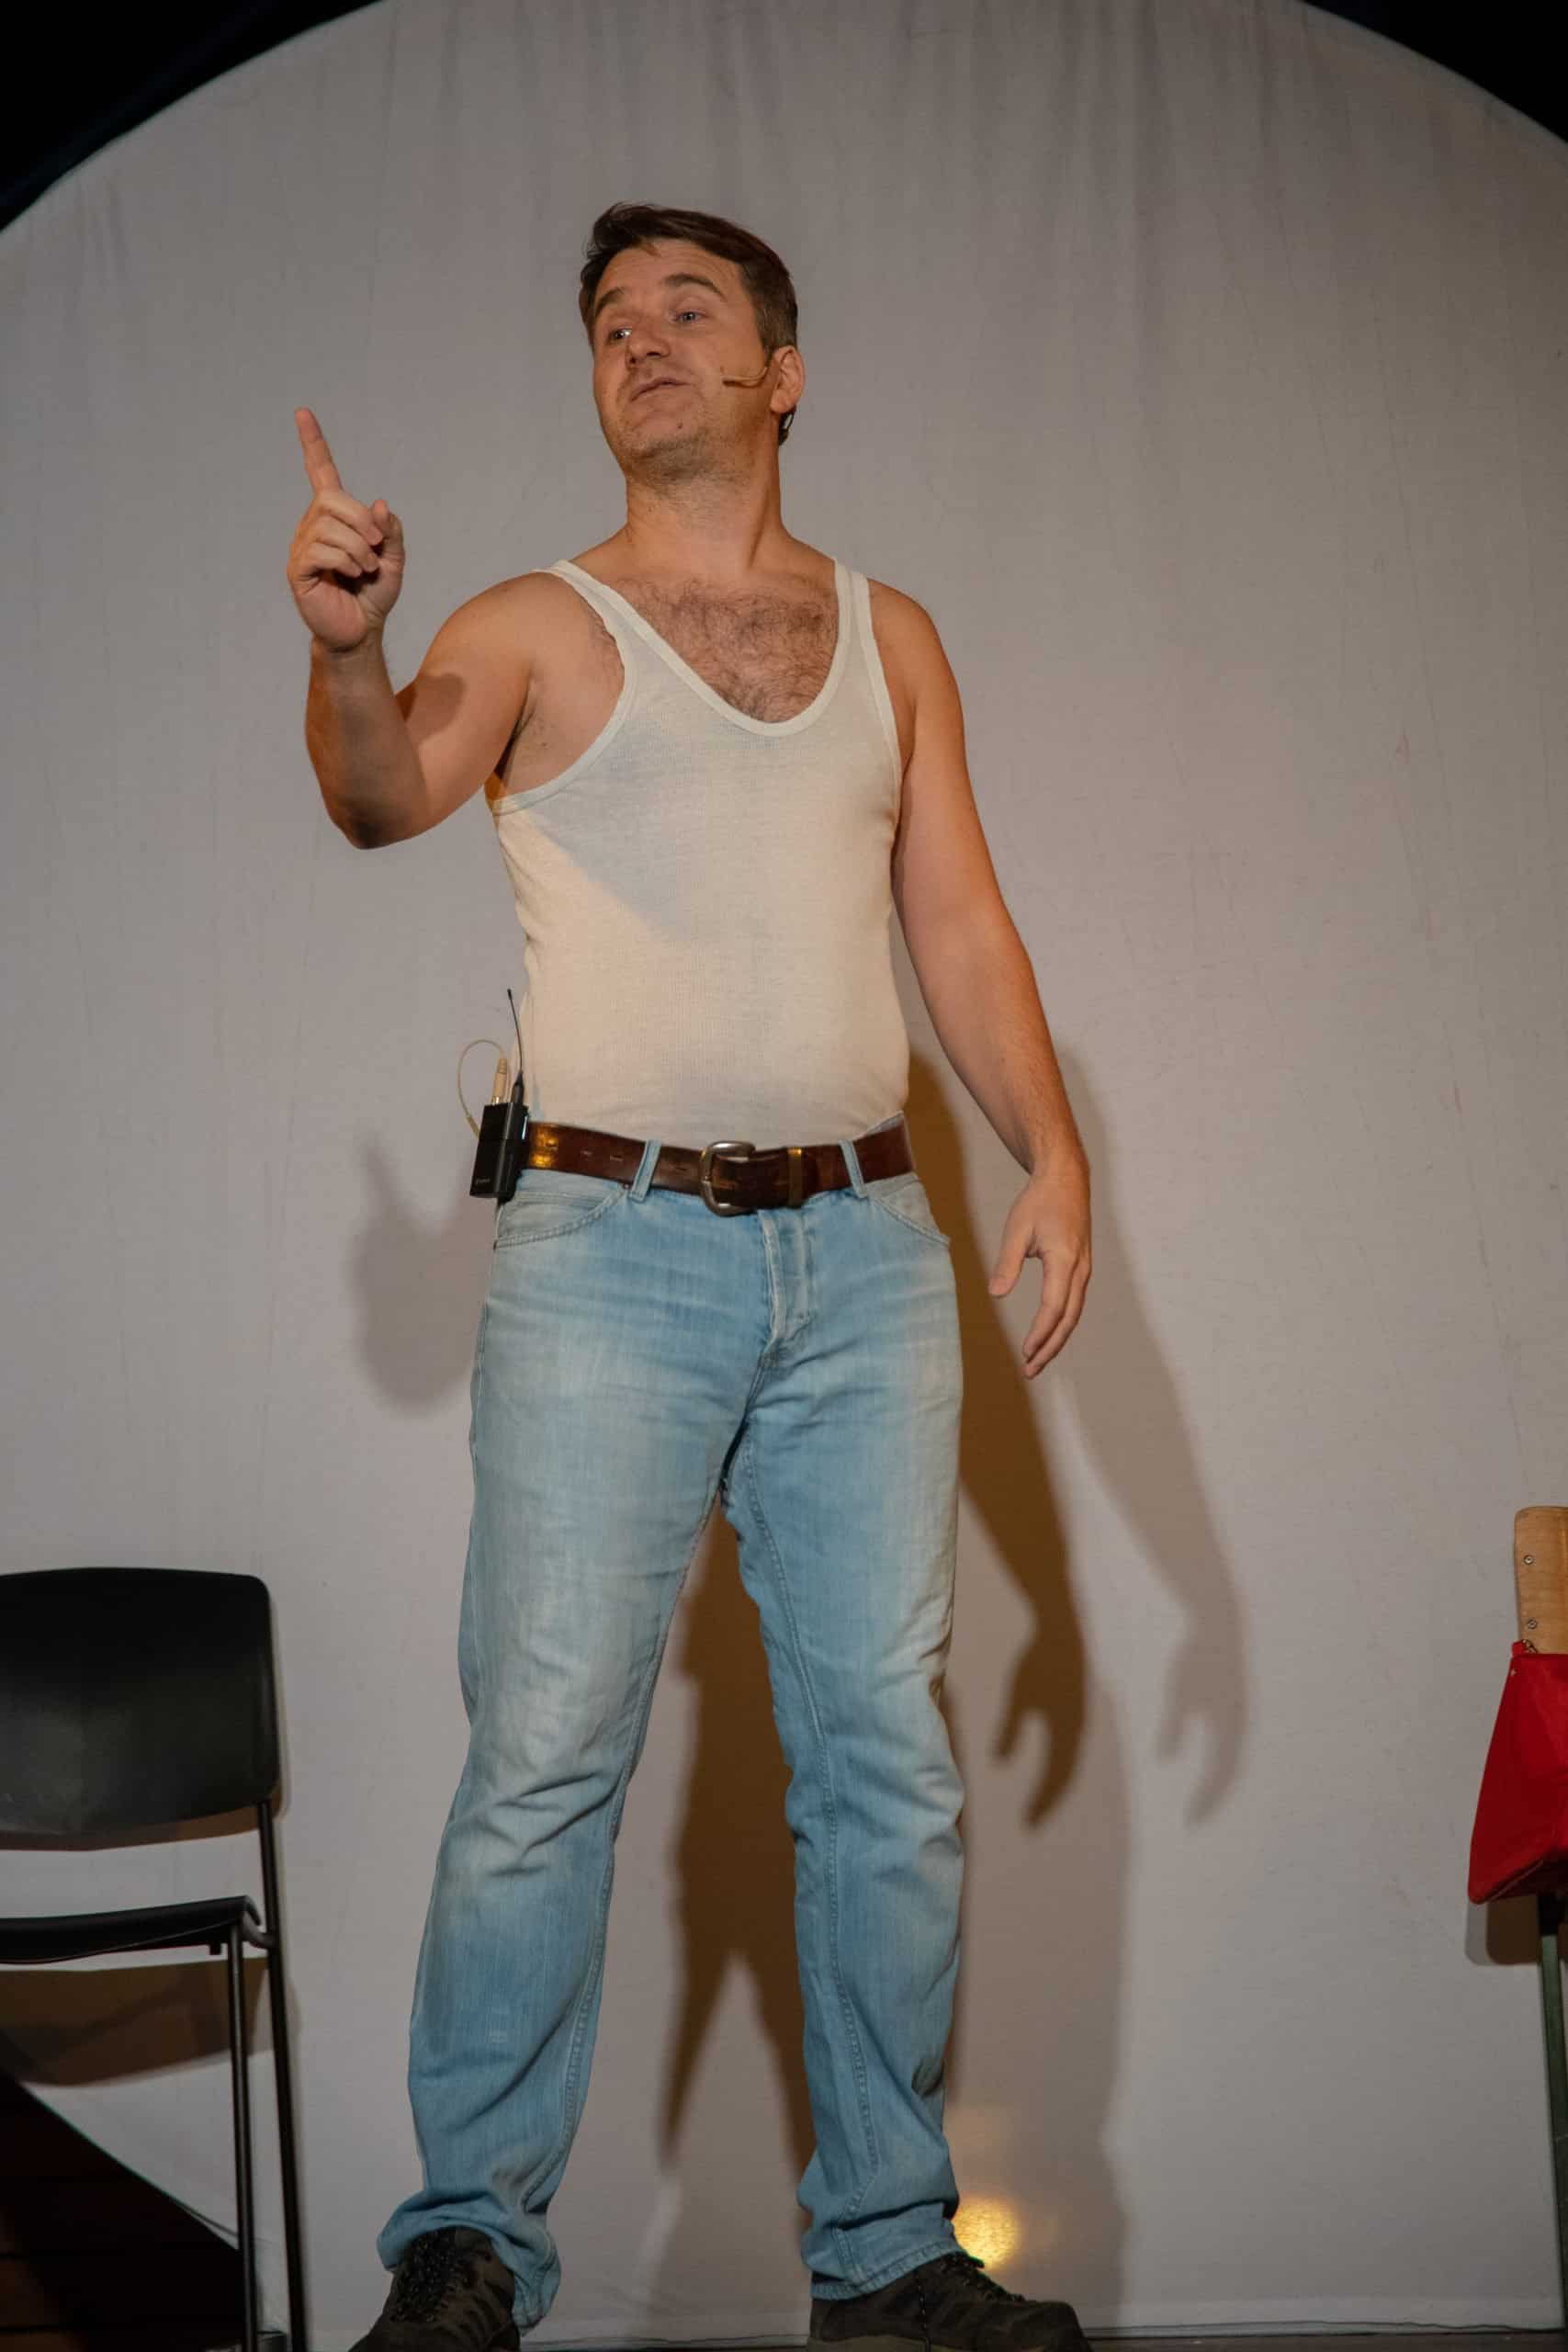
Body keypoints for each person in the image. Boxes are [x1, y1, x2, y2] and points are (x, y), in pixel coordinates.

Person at [288, 200, 1093, 2352]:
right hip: (607, 1244)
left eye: (686, 309)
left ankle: (889, 2251)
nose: (638, 341)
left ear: (780, 370)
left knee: (884, 1767)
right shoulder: (533, 626)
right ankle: (467, 2245)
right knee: (544, 1753)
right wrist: (350, 650)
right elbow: (381, 792)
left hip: (866, 1249)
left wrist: (1051, 1149)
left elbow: (957, 922)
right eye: (608, 323)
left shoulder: (889, 635)